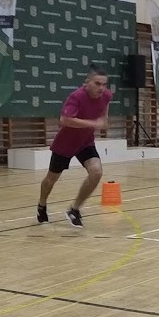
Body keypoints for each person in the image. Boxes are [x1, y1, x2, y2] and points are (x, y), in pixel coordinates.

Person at [37, 68, 110, 228]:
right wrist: (92, 123)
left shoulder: (106, 96)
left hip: (85, 142)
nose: (101, 88)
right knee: (51, 179)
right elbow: (65, 119)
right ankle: (42, 204)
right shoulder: (76, 97)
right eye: (97, 83)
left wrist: (102, 121)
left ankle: (74, 209)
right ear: (87, 83)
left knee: (96, 172)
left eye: (104, 84)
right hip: (66, 143)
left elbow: (104, 117)